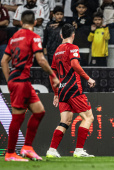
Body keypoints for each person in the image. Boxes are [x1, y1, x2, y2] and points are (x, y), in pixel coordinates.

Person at [1, 10, 60, 161]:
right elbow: (40, 60)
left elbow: (3, 61)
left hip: (18, 79)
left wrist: (9, 81)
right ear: (34, 23)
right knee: (17, 118)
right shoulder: (34, 36)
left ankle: (27, 148)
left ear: (21, 22)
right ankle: (10, 153)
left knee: (39, 111)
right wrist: (53, 76)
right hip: (21, 80)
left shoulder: (14, 37)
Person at [46, 23, 96, 158]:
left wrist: (56, 93)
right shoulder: (73, 47)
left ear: (61, 35)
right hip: (73, 88)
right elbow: (74, 64)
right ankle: (79, 151)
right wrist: (88, 78)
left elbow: (52, 74)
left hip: (62, 90)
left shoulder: (57, 51)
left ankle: (51, 150)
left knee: (65, 121)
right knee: (88, 117)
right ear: (73, 35)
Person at [72, 0, 92, 66]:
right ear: (76, 8)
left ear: (86, 9)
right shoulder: (73, 19)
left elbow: (90, 28)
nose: (81, 9)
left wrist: (78, 25)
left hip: (85, 46)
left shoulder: (89, 19)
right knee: (75, 66)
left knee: (84, 66)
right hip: (74, 46)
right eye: (79, 7)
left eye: (83, 7)